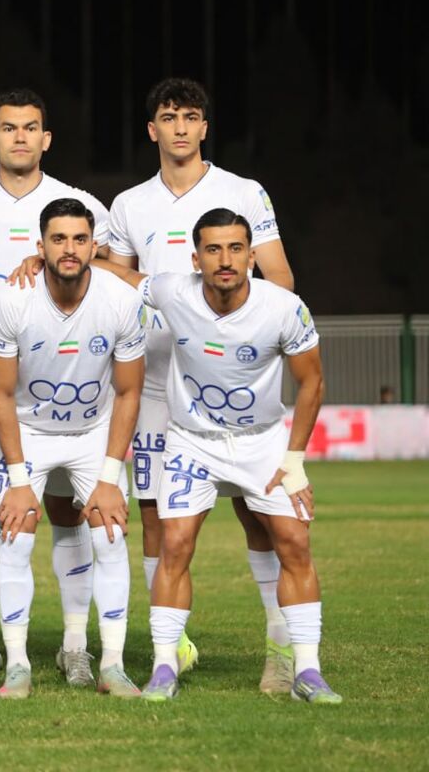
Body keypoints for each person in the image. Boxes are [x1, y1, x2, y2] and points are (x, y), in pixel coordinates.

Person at [94, 208, 339, 704]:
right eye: (213, 249)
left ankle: (308, 672)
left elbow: (312, 382)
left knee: (294, 542)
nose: (224, 260)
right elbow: (123, 274)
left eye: (235, 249)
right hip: (193, 441)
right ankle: (165, 667)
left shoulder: (284, 308)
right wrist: (58, 260)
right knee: (175, 544)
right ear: (195, 259)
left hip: (261, 442)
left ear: (251, 256)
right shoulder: (174, 292)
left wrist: (294, 460)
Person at [104, 78, 298, 690]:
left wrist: (229, 331)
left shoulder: (243, 192)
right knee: (158, 516)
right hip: (155, 387)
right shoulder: (129, 204)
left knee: (257, 514)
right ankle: (174, 646)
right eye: (169, 117)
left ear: (205, 127)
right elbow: (114, 279)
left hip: (228, 383)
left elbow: (281, 280)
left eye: (191, 117)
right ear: (152, 129)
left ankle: (281, 646)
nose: (181, 127)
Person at [0, 88, 114, 688]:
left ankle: (75, 647)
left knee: (69, 513)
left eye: (31, 127)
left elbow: (112, 271)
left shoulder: (80, 205)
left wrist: (51, 262)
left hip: (64, 393)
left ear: (46, 138)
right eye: (9, 128)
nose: (20, 137)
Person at [0, 198, 144, 699]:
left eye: (79, 239)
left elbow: (129, 393)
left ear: (95, 247)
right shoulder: (11, 299)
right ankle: (17, 665)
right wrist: (17, 481)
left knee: (110, 536)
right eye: (59, 239)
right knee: (16, 534)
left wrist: (110, 477)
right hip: (30, 431)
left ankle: (110, 664)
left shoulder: (120, 300)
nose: (69, 249)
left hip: (93, 433)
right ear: (41, 246)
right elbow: (0, 394)